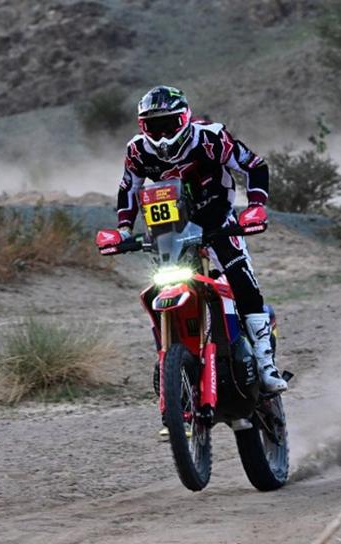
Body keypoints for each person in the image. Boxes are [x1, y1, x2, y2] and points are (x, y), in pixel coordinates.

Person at [113, 85, 287, 393]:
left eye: (169, 124)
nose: (162, 135)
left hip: (218, 220)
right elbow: (129, 187)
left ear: (185, 119)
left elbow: (254, 165)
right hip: (169, 231)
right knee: (158, 288)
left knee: (241, 278)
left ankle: (265, 364)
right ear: (142, 127)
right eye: (154, 126)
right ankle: (171, 361)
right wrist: (124, 230)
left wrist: (256, 207)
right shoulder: (137, 150)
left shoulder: (211, 137)